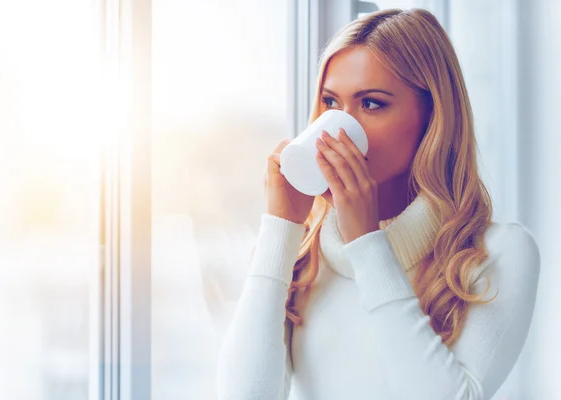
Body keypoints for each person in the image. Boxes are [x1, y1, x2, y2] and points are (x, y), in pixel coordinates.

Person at [215, 8, 540, 400]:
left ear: (433, 117)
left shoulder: (498, 253)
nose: (339, 129)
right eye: (331, 103)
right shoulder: (304, 250)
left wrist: (367, 242)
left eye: (371, 104)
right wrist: (280, 227)